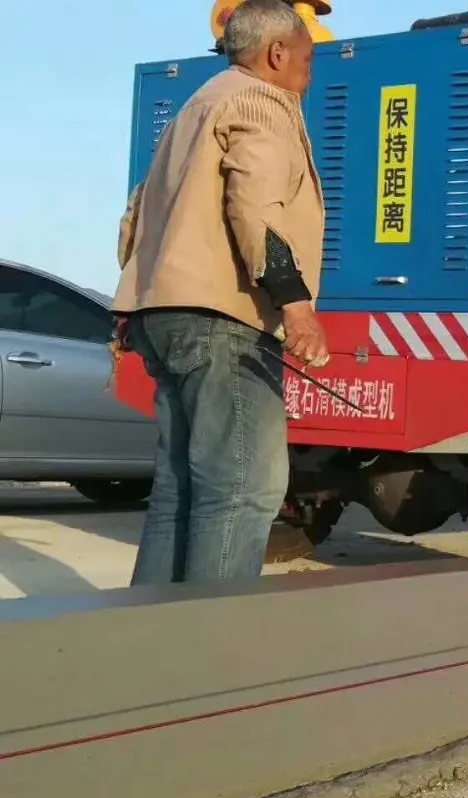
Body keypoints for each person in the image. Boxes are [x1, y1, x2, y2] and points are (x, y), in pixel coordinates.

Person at [112, 0, 328, 585]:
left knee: (179, 490)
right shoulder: (260, 101)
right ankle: (211, 655)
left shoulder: (196, 106)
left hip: (164, 314)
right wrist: (297, 305)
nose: (313, 67)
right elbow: (256, 205)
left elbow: (135, 215)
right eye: (309, 56)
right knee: (242, 490)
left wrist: (137, 302)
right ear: (277, 54)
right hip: (222, 319)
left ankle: (146, 641)